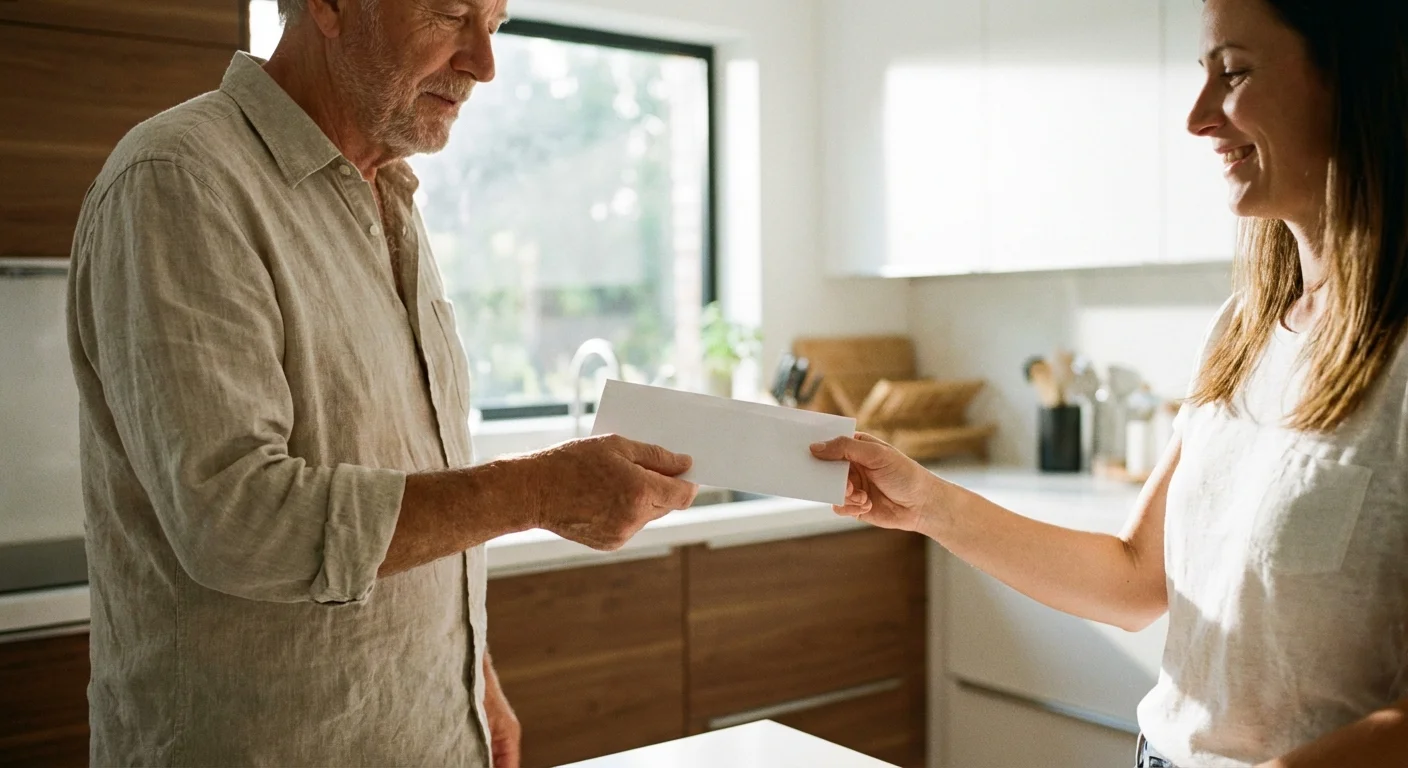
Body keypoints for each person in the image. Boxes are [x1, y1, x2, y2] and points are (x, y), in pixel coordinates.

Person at [65, 0, 699, 765]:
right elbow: (236, 520)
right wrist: (537, 492)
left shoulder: (386, 192)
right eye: (449, 14)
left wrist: (472, 679)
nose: (483, 64)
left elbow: (406, 474)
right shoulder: (178, 180)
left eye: (493, 26)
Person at [812, 0, 1408, 765]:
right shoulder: (1242, 329)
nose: (1197, 119)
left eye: (1233, 73)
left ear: (1356, 81)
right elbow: (1135, 577)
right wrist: (928, 503)